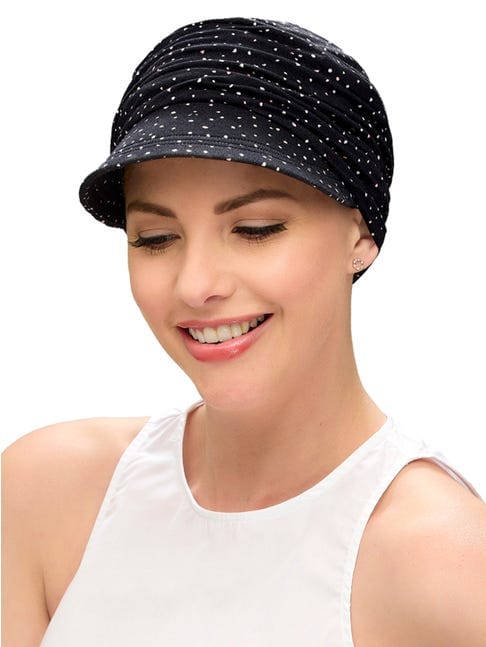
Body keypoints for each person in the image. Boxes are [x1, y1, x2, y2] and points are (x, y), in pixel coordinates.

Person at [2, 16, 485, 647]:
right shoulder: (44, 493)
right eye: (156, 238)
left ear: (362, 234)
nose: (195, 284)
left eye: (256, 229)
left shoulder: (443, 561)